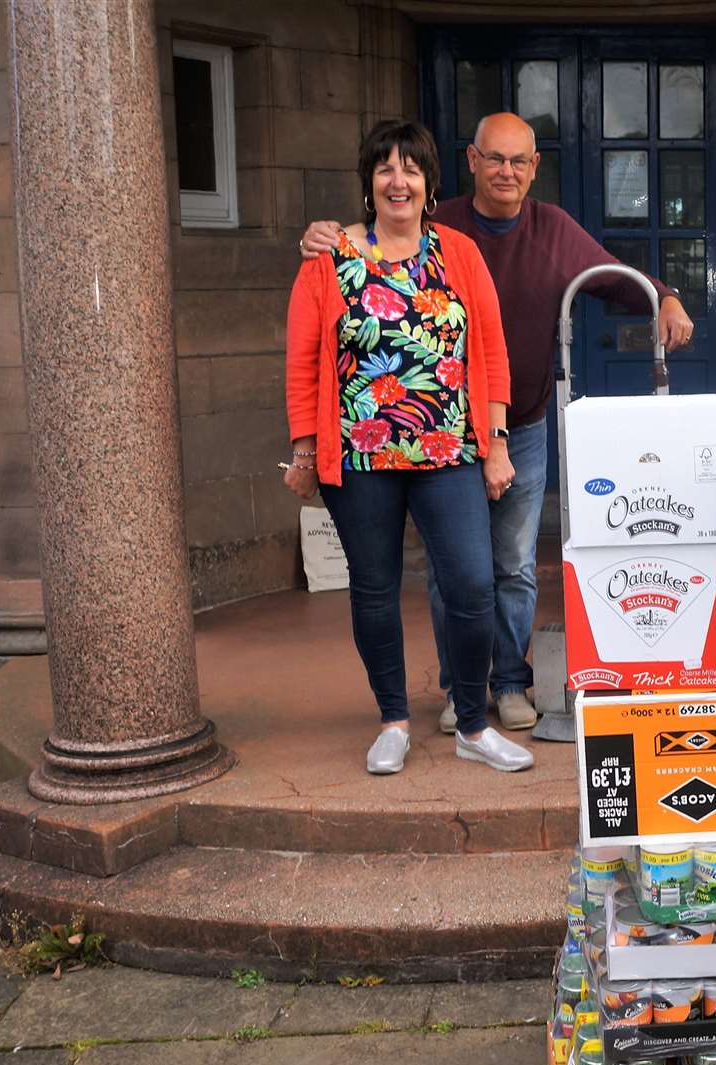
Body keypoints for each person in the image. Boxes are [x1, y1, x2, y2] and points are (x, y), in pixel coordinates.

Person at [299, 112, 694, 736]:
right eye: (494, 158)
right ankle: (462, 688)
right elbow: (354, 261)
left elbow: (610, 277)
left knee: (509, 563)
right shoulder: (439, 223)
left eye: (519, 161)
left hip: (523, 424)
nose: (506, 171)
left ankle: (509, 681)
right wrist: (324, 236)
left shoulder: (551, 228)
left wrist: (663, 294)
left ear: (534, 169)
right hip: (443, 436)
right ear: (471, 161)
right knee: (453, 569)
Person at [283, 119, 535, 776]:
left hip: (448, 453)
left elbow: (491, 352)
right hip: (359, 459)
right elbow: (304, 361)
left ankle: (473, 724)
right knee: (374, 590)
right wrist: (306, 450)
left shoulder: (457, 252)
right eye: (386, 169)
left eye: (412, 169)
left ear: (429, 184)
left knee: (474, 586)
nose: (399, 181)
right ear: (370, 183)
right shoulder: (329, 256)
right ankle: (393, 719)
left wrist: (498, 443)